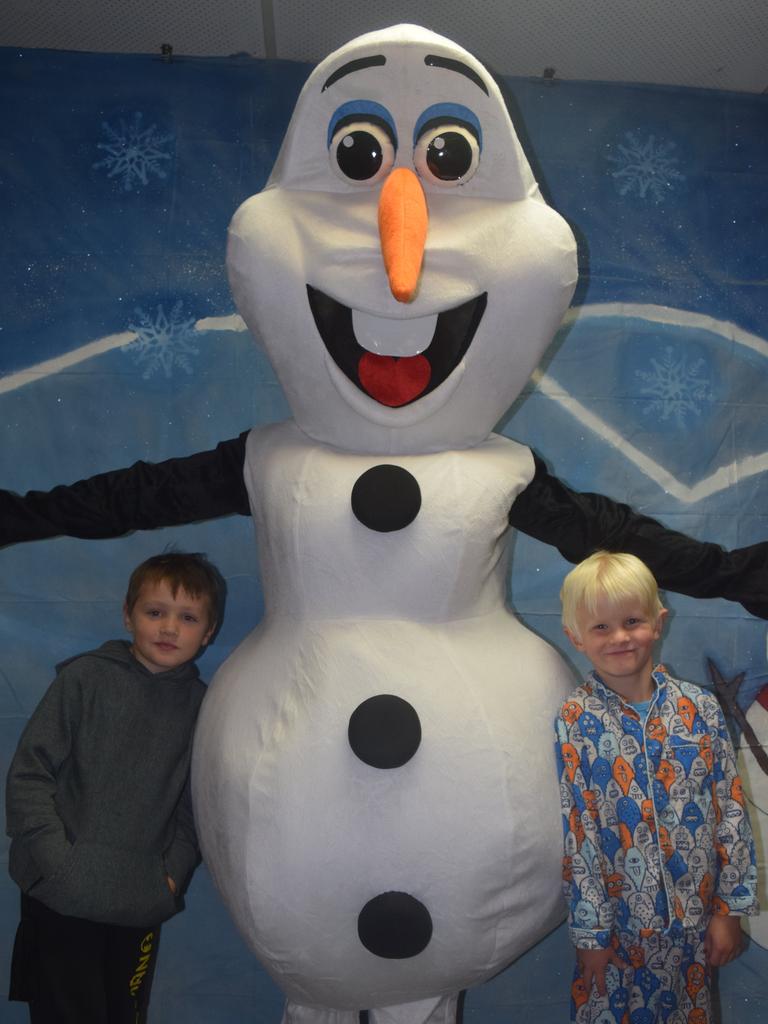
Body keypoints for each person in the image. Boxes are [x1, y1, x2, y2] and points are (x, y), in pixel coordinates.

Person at [5, 550, 224, 1024]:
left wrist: (169, 877)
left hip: (138, 899)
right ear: (128, 616)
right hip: (59, 894)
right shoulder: (85, 680)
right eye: (155, 612)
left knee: (123, 1013)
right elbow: (29, 774)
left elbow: (197, 807)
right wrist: (55, 861)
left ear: (208, 633)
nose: (169, 628)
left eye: (187, 618)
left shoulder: (206, 710)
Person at [555, 551, 758, 1024]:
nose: (620, 637)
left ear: (658, 621)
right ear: (576, 638)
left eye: (631, 620)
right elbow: (578, 831)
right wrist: (591, 936)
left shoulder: (701, 711)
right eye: (600, 627)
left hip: (694, 924)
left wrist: (729, 910)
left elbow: (730, 812)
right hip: (617, 930)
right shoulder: (576, 720)